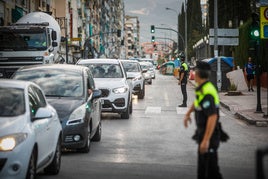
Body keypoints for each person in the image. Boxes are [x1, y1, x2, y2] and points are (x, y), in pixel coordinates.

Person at [183, 61, 223, 179]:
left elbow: (212, 116)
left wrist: (206, 140)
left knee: (212, 171)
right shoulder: (202, 87)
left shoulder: (208, 92)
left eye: (195, 71)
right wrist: (188, 113)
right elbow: (197, 102)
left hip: (209, 135)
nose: (193, 73)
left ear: (199, 74)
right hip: (203, 133)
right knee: (202, 170)